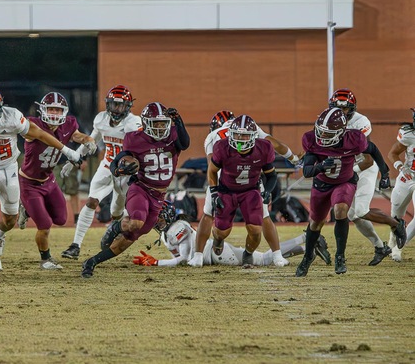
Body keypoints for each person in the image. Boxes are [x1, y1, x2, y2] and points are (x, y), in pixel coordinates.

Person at [0, 87, 84, 272]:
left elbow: (40, 134)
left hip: (10, 168)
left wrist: (67, 150)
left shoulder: (12, 116)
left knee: (10, 221)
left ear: (0, 106)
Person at [81, 102, 190, 278]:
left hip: (159, 194)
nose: (161, 127)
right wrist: (117, 169)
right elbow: (119, 159)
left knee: (132, 235)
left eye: (163, 123)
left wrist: (179, 121)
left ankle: (92, 261)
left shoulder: (173, 136)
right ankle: (116, 226)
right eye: (156, 123)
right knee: (137, 222)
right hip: (141, 188)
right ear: (146, 123)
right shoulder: (134, 137)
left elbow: (185, 144)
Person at [295, 107, 406, 277]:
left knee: (341, 211)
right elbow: (307, 171)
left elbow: (373, 150)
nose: (322, 136)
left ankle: (340, 257)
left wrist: (384, 172)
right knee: (315, 223)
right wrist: (321, 167)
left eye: (327, 133)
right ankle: (308, 256)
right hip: (322, 185)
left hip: (345, 181)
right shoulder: (312, 140)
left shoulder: (353, 139)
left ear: (340, 132)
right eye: (321, 131)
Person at [188, 110, 303, 268]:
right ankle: (275, 254)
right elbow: (277, 144)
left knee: (208, 215)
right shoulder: (250, 129)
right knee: (265, 216)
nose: (241, 139)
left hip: (246, 182)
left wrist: (213, 190)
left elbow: (211, 167)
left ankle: (198, 255)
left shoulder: (214, 135)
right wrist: (294, 159)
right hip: (225, 184)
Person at [60, 84, 142, 260]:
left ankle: (115, 231)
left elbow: (141, 148)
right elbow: (91, 142)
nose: (116, 108)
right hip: (107, 166)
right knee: (91, 201)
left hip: (126, 172)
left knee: (117, 212)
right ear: (108, 104)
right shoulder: (101, 119)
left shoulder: (133, 123)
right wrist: (74, 158)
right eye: (114, 104)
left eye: (120, 105)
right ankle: (75, 245)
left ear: (127, 106)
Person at [18, 92, 94, 270]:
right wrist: (68, 151)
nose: (53, 113)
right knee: (44, 225)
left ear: (64, 112)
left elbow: (77, 136)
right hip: (30, 182)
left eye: (57, 110)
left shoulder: (68, 124)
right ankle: (45, 259)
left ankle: (27, 210)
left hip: (49, 180)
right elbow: (45, 137)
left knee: (61, 219)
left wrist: (88, 140)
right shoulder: (32, 124)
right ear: (42, 110)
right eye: (50, 109)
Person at [133, 201, 331, 267]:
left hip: (216, 253)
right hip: (214, 254)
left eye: (159, 217)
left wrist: (157, 263)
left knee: (263, 260)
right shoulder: (166, 232)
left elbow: (184, 259)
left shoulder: (179, 227)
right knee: (263, 258)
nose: (156, 221)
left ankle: (307, 240)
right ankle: (307, 244)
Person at [201, 115, 278, 268]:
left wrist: (268, 191)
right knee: (222, 231)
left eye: (244, 135)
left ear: (253, 136)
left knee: (256, 230)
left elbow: (272, 175)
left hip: (250, 190)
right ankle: (218, 240)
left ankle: (248, 254)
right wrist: (215, 193)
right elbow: (211, 171)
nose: (240, 138)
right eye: (237, 134)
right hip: (226, 190)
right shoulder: (222, 147)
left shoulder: (263, 148)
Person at [329, 88, 395, 265]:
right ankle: (380, 247)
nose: (340, 112)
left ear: (351, 108)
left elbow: (367, 159)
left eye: (344, 108)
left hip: (364, 167)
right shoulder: (329, 120)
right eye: (337, 107)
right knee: (353, 216)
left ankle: (397, 225)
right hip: (348, 168)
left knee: (361, 211)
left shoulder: (360, 122)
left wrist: (348, 171)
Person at [387, 107, 415, 261]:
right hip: (407, 177)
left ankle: (398, 248)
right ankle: (393, 237)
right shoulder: (408, 134)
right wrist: (399, 166)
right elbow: (392, 153)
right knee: (396, 214)